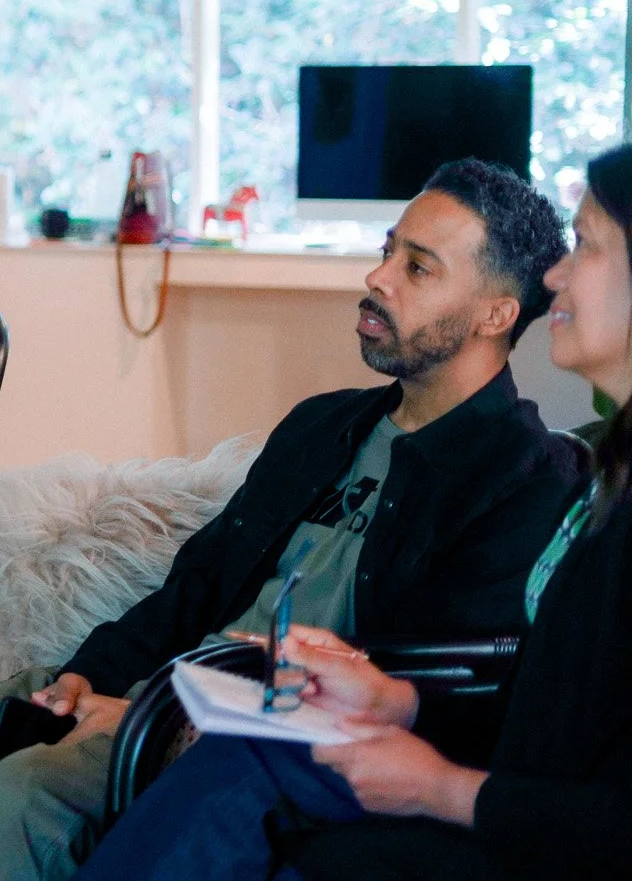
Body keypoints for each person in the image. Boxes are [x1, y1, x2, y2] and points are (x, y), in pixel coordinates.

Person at [0, 159, 583, 881]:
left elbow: (422, 689)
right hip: (149, 686)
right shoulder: (322, 427)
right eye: (386, 249)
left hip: (234, 733)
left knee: (21, 795)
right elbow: (196, 579)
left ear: (493, 314)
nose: (377, 278)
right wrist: (90, 675)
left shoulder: (521, 479)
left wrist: (153, 708)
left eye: (418, 267)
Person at [78, 144, 632, 881]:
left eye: (588, 244)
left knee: (256, 777)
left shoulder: (536, 474)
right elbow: (546, 700)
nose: (556, 274)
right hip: (498, 797)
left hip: (523, 836)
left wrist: (447, 788)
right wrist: (399, 702)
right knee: (259, 759)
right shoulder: (613, 470)